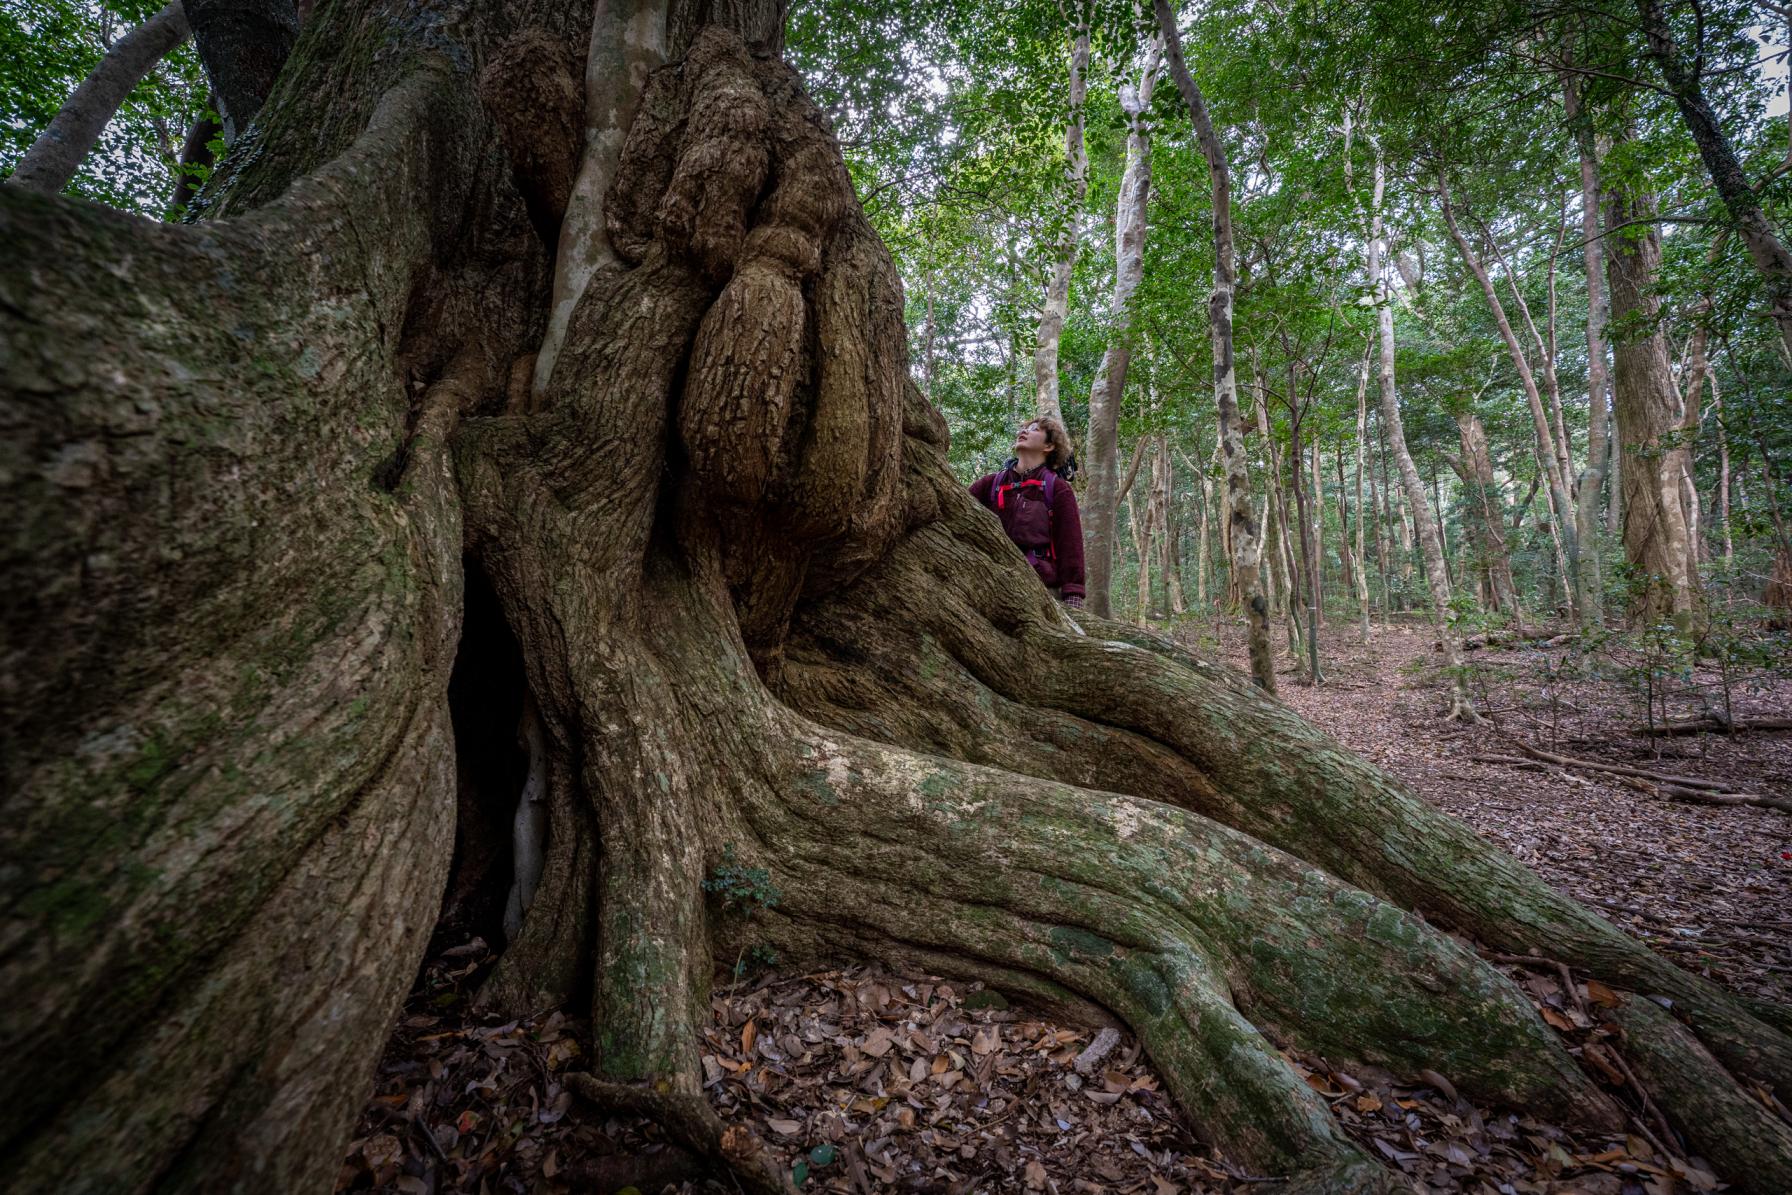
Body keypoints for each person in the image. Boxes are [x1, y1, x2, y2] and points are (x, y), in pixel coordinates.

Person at [970, 416, 1086, 606]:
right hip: (991, 582)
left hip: (1041, 587)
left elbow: (1070, 543)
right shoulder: (991, 483)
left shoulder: (1057, 488)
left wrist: (1073, 594)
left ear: (1048, 446)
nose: (1023, 431)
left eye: (1034, 429)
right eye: (1023, 428)